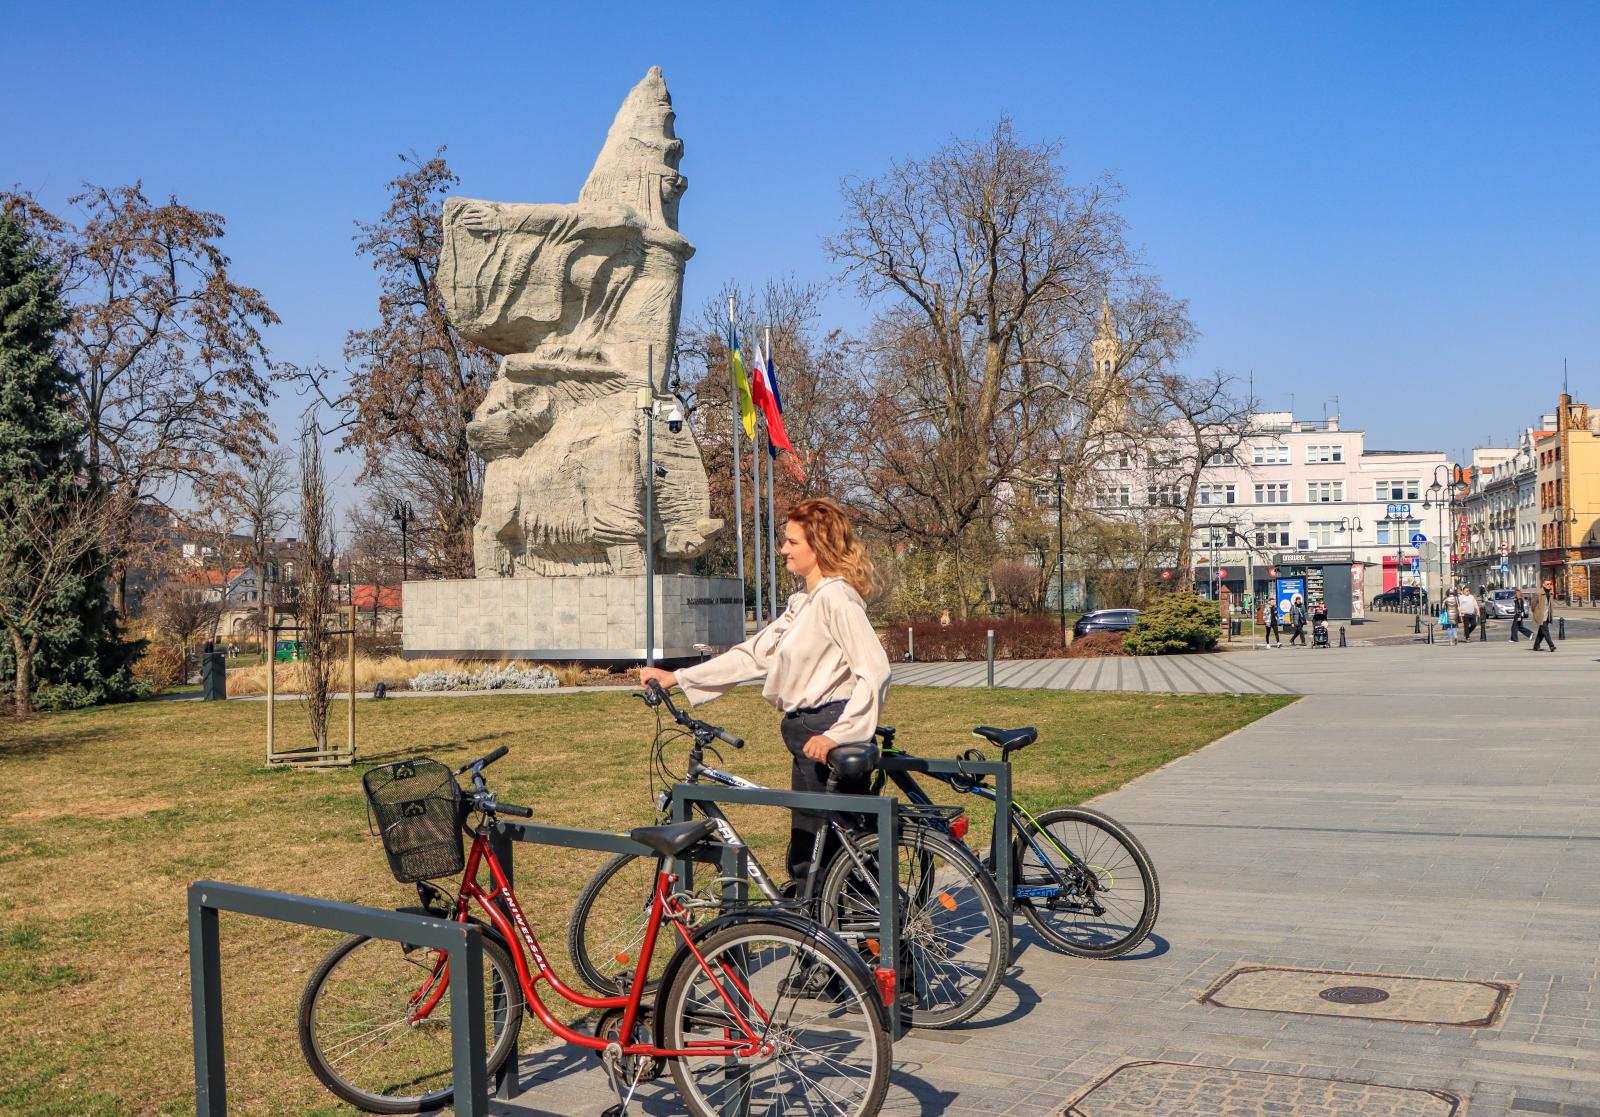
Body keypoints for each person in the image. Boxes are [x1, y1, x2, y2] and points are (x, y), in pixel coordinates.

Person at [639, 497, 891, 895]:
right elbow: (753, 655)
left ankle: (857, 943)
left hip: (823, 734)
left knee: (825, 857)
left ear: (819, 545)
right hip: (807, 736)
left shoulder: (836, 599)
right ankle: (828, 938)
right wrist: (679, 678)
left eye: (792, 542)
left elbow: (874, 670)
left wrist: (838, 735)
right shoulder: (806, 603)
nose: (783, 549)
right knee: (815, 852)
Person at [1531, 580, 1557, 652]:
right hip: (1541, 616)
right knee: (1545, 631)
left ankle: (1536, 646)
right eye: (1547, 584)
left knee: (1541, 632)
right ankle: (1551, 646)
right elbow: (1533, 604)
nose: (1549, 585)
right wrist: (1536, 612)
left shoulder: (1551, 593)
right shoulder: (1538, 593)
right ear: (1543, 585)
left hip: (1547, 615)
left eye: (1550, 584)